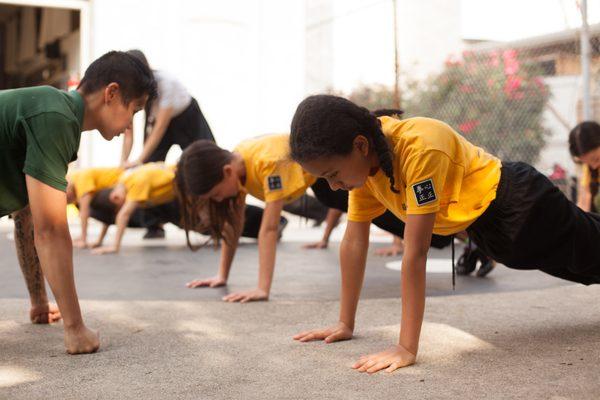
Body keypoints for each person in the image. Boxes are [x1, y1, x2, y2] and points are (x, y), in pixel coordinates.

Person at [289, 94, 600, 374]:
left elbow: (416, 252)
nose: (332, 186)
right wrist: (346, 322)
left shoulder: (420, 145)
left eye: (332, 175)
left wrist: (406, 347)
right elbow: (355, 240)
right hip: (492, 232)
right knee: (589, 271)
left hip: (525, 208)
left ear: (360, 145)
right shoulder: (368, 170)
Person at [0, 50, 156, 354]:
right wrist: (75, 329)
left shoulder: (53, 111)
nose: (129, 127)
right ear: (112, 93)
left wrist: (40, 303)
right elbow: (52, 230)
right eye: (134, 111)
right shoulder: (55, 116)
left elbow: (27, 215)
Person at [121, 49, 214, 239]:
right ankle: (154, 224)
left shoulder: (166, 83)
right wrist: (123, 162)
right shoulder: (131, 89)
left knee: (206, 162)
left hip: (186, 117)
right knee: (148, 170)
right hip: (161, 120)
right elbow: (127, 128)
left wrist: (138, 159)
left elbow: (160, 129)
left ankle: (211, 217)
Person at [91, 162, 176, 255]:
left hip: (183, 181)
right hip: (174, 185)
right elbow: (108, 217)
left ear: (114, 197)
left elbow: (123, 215)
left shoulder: (136, 184)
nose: (121, 209)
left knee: (138, 211)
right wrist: (99, 240)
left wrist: (115, 247)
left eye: (118, 208)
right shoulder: (123, 180)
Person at [66, 167, 123, 248]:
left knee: (84, 204)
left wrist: (83, 239)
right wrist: (99, 241)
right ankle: (92, 239)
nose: (67, 202)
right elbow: (107, 213)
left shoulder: (81, 179)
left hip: (125, 182)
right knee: (83, 203)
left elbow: (84, 211)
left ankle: (84, 237)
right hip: (117, 189)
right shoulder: (76, 182)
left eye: (67, 199)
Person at [569, 121, 600, 213]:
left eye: (597, 159)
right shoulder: (590, 168)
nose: (594, 167)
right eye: (587, 163)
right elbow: (584, 200)